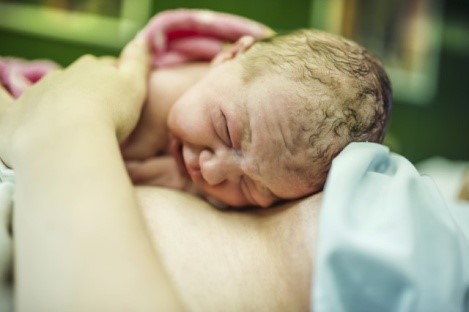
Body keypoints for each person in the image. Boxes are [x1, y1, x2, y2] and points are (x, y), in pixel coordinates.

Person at [120, 28, 392, 208]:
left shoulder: (238, 106)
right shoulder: (154, 93)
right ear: (232, 54)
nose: (211, 174)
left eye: (250, 187)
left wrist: (185, 187)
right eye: (225, 130)